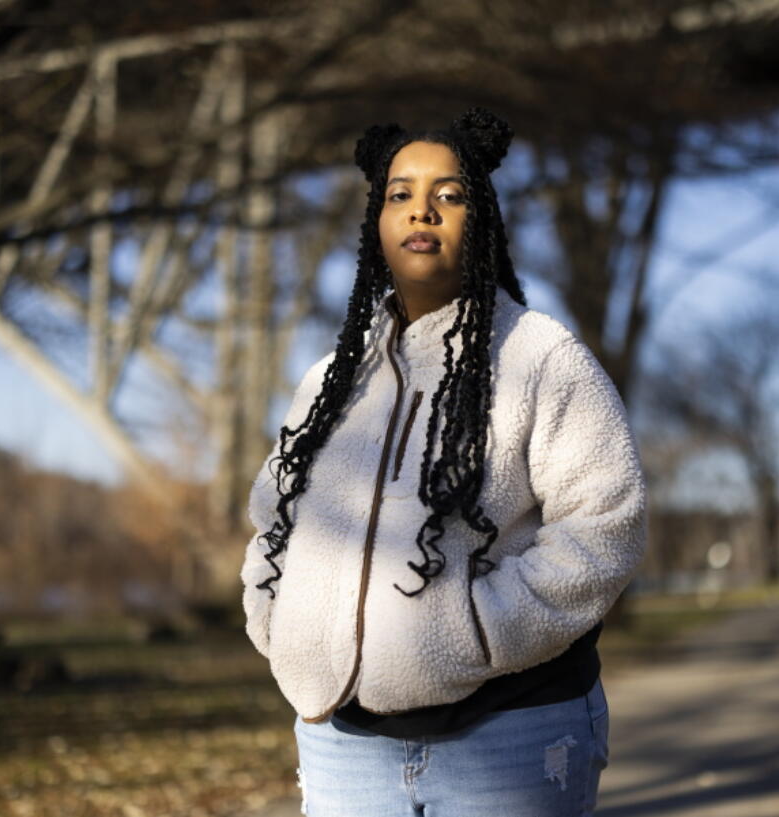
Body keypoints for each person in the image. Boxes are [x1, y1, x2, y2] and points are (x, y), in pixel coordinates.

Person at [240, 106, 647, 816]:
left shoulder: (540, 356)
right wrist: (285, 634)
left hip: (511, 734)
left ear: (481, 216)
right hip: (345, 746)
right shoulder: (331, 380)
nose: (421, 209)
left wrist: (476, 626)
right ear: (376, 220)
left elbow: (606, 523)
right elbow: (270, 523)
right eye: (399, 193)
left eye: (449, 194)